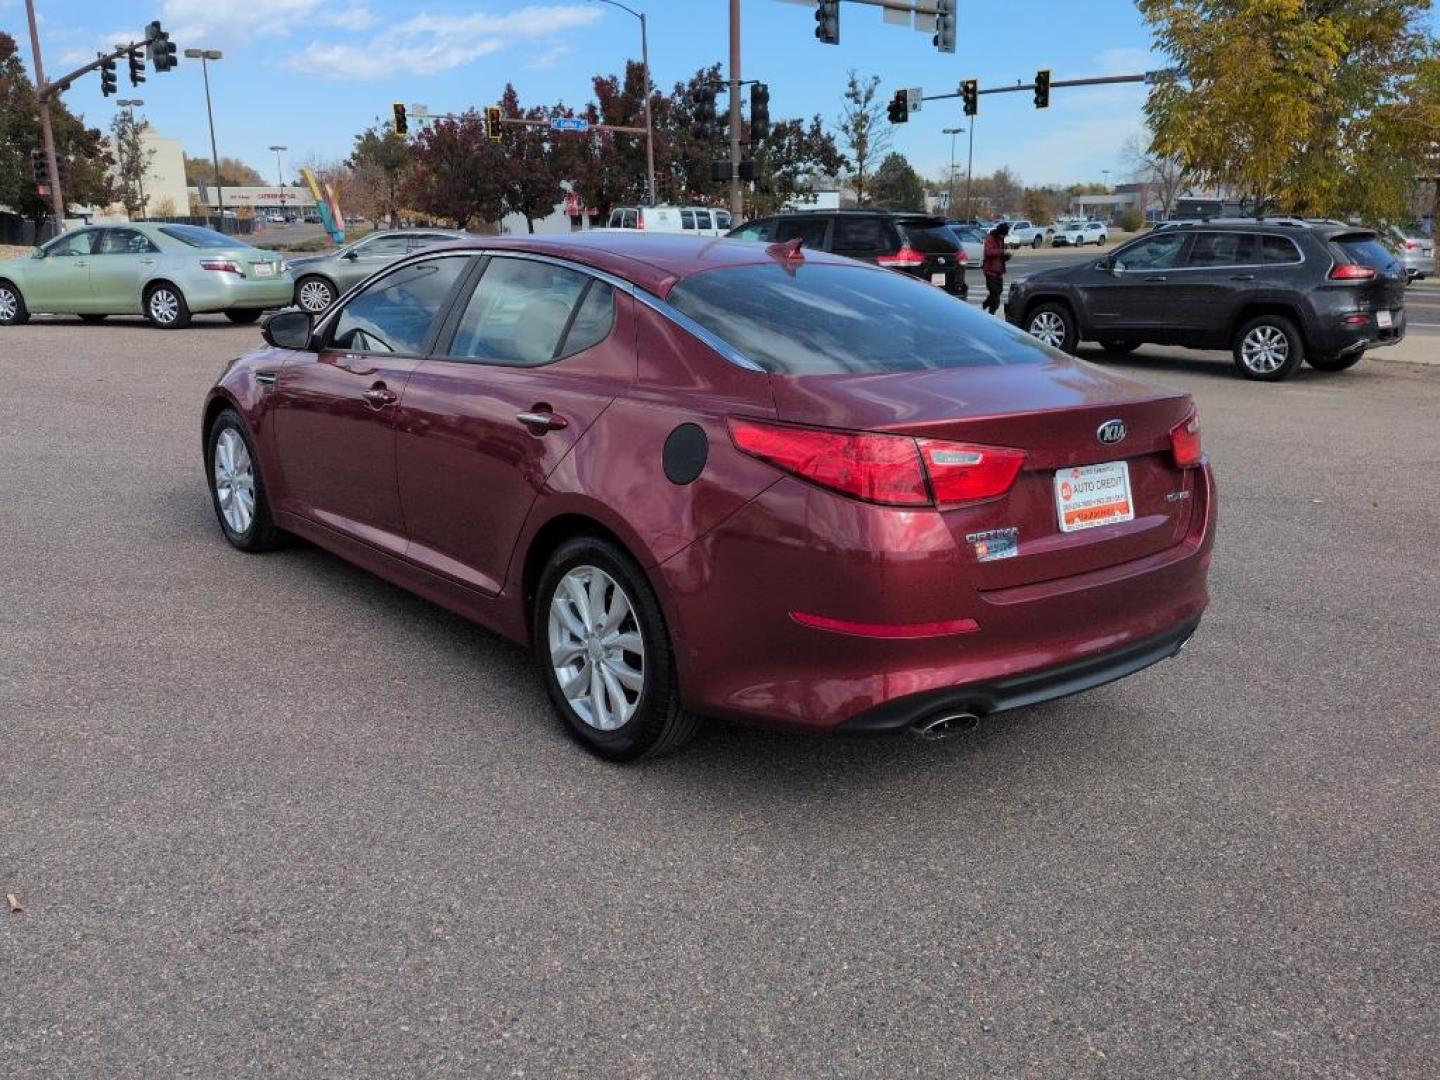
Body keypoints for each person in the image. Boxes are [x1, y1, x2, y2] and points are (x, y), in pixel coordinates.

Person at [981, 221, 1012, 315]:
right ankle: (991, 313)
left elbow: (1001, 257)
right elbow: (988, 252)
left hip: (999, 271)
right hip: (990, 271)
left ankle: (986, 304)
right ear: (1000, 232)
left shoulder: (1001, 240)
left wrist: (1008, 255)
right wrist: (1002, 252)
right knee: (995, 294)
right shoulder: (990, 238)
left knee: (998, 292)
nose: (1004, 237)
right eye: (1004, 234)